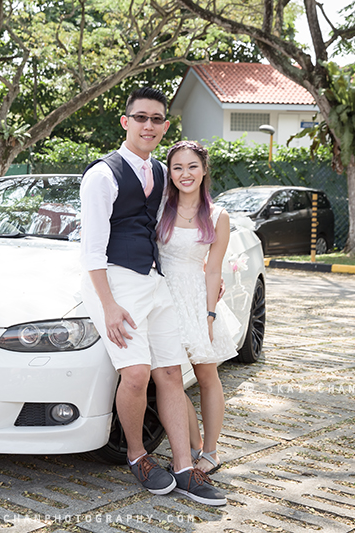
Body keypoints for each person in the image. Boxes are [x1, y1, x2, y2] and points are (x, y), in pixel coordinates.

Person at [79, 87, 226, 506]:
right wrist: (108, 305)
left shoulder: (162, 171)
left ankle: (184, 467)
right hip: (114, 280)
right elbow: (91, 250)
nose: (148, 125)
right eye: (140, 117)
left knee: (171, 374)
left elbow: (184, 220)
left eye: (156, 119)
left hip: (153, 280)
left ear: (164, 126)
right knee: (137, 374)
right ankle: (138, 456)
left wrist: (210, 269)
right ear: (125, 122)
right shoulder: (102, 175)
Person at [156, 140, 241, 476]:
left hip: (196, 300)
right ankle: (192, 446)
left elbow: (214, 269)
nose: (185, 173)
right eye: (177, 167)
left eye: (192, 166)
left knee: (206, 376)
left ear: (204, 169)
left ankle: (211, 451)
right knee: (169, 379)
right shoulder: (160, 209)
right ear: (170, 173)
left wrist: (209, 314)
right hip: (162, 298)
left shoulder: (218, 216)